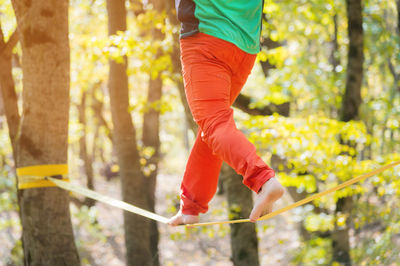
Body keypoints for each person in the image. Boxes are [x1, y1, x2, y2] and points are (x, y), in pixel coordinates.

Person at [168, 0, 284, 226]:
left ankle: (263, 179)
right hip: (245, 45)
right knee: (213, 125)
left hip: (206, 34)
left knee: (214, 124)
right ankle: (191, 206)